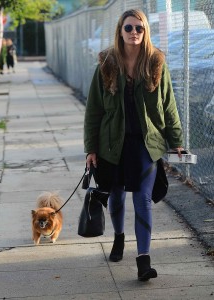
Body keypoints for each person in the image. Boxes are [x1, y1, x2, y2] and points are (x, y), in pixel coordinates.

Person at [84, 9, 183, 281]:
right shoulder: (106, 64)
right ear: (120, 31)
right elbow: (93, 111)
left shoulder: (155, 64)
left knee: (142, 200)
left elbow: (169, 106)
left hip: (145, 145)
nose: (134, 33)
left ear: (146, 30)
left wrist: (176, 142)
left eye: (139, 28)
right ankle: (118, 237)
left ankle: (143, 260)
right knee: (115, 196)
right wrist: (91, 149)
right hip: (111, 145)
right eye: (129, 28)